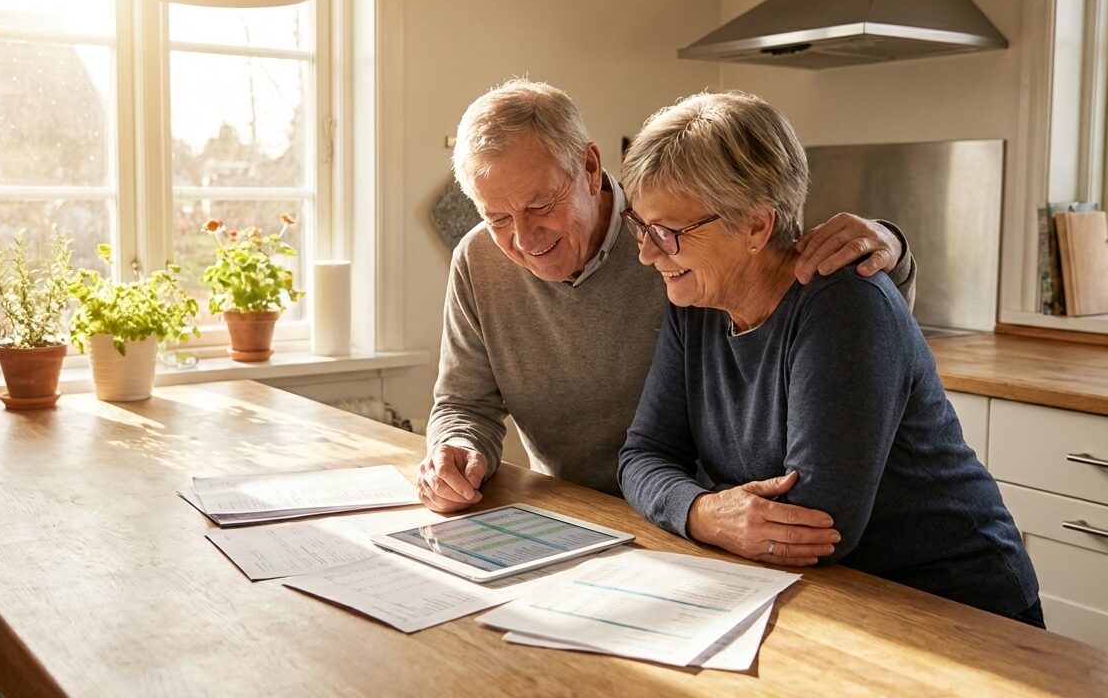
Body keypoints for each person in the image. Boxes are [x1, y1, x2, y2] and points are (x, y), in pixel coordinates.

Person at [616, 91, 1041, 625]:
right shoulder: (695, 302)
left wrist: (698, 501)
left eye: (668, 233)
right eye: (641, 224)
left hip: (951, 605)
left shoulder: (843, 302)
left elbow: (816, 524)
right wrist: (701, 511)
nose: (647, 252)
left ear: (755, 226)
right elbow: (642, 455)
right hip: (828, 599)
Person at [419, 79, 917, 514]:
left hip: (704, 519)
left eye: (540, 204)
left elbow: (806, 279)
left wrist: (889, 251)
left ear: (590, 167)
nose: (523, 239)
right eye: (498, 218)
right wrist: (456, 448)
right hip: (585, 509)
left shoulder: (683, 248)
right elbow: (464, 404)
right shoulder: (480, 260)